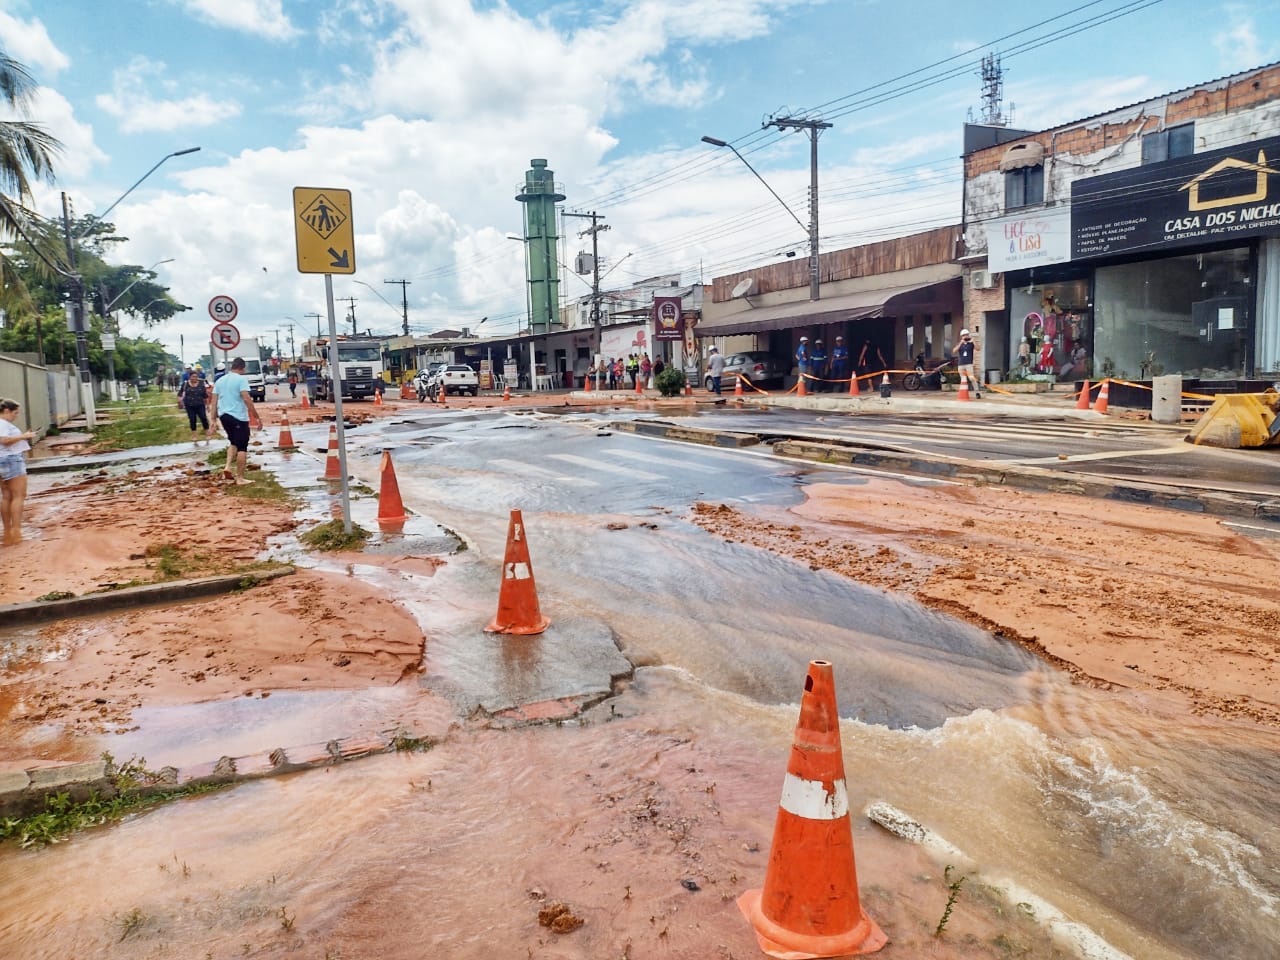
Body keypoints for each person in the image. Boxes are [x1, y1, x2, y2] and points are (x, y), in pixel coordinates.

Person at [211, 357, 263, 486]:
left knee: (233, 442)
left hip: (224, 416)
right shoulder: (241, 380)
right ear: (242, 368)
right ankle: (240, 478)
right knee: (242, 447)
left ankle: (227, 467)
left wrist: (213, 419)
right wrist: (256, 416)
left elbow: (214, 402)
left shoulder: (220, 381)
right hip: (238, 416)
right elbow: (246, 399)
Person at [0, 398, 36, 546]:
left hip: (3, 460)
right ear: (6, 411)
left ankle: (7, 531)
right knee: (18, 496)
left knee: (6, 496)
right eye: (15, 413)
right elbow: (4, 440)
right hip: (11, 459)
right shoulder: (2, 423)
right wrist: (24, 436)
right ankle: (16, 530)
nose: (16, 416)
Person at [177, 371, 214, 443]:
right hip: (189, 405)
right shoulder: (185, 384)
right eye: (193, 377)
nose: (195, 378)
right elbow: (180, 394)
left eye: (196, 377)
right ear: (190, 377)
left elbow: (205, 395)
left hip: (200, 404)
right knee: (192, 419)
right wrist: (179, 401)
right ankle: (194, 435)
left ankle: (207, 433)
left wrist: (207, 405)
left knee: (203, 418)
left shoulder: (201, 384)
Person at [952, 328, 980, 398]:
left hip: (969, 364)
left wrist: (974, 342)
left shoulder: (970, 344)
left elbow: (978, 348)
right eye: (964, 335)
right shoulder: (960, 344)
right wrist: (960, 343)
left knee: (971, 378)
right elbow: (954, 351)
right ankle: (964, 394)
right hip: (961, 364)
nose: (965, 336)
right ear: (962, 336)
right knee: (963, 379)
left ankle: (977, 392)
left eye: (967, 335)